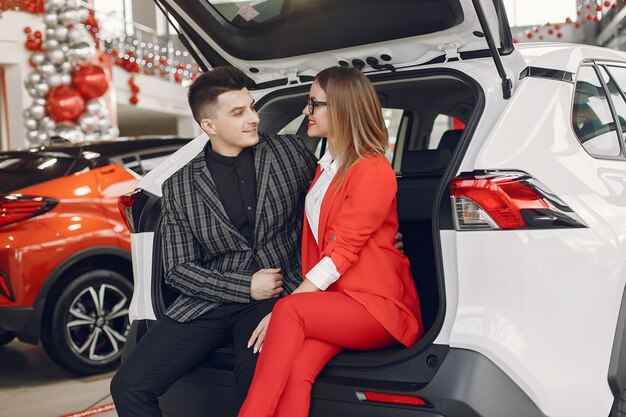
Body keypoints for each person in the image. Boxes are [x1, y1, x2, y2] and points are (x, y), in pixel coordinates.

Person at [110, 66, 318, 417]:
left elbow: (328, 207)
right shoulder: (179, 186)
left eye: (252, 107)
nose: (253, 118)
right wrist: (245, 285)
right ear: (209, 125)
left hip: (280, 293)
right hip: (211, 299)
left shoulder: (289, 153)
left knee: (254, 387)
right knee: (128, 385)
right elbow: (177, 270)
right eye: (238, 113)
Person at [237, 67, 424, 417]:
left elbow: (342, 250)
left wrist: (283, 311)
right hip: (336, 304)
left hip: (377, 307)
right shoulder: (326, 167)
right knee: (297, 371)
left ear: (341, 108)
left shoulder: (372, 168)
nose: (306, 111)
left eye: (313, 104)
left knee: (288, 311)